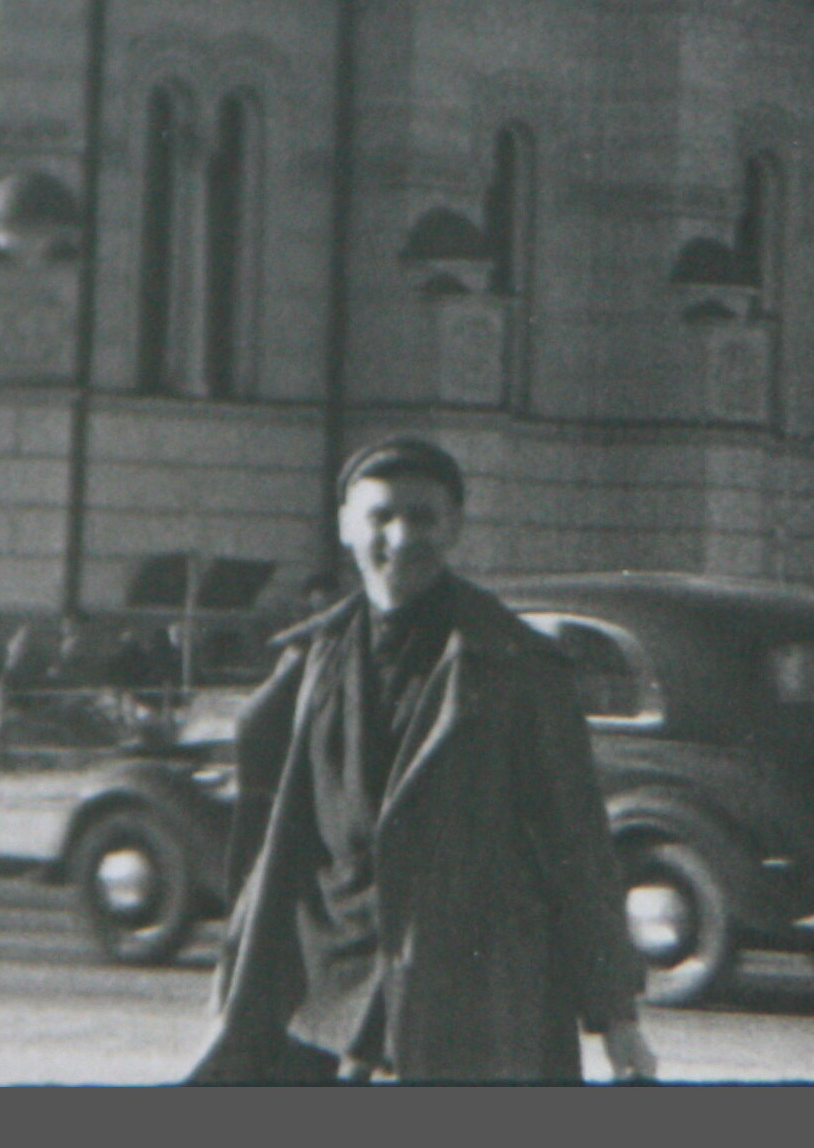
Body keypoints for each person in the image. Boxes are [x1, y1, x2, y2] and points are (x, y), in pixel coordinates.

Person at [191, 435, 655, 1084]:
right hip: (322, 997)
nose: (403, 537)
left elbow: (576, 843)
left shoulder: (514, 666)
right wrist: (235, 985)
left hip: (464, 998)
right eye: (381, 516)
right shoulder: (310, 663)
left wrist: (617, 1016)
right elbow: (274, 844)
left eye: (423, 516)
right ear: (345, 526)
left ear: (454, 526)